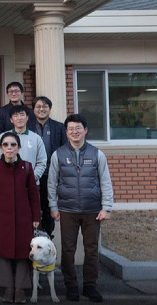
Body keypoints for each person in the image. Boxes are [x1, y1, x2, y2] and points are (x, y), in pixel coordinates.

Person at [48, 114, 113, 303]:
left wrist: (106, 207)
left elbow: (106, 182)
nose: (74, 132)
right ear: (66, 132)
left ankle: (90, 286)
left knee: (91, 249)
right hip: (67, 210)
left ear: (85, 130)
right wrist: (53, 206)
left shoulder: (97, 154)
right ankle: (71, 286)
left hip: (92, 210)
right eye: (71, 129)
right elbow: (52, 183)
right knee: (68, 249)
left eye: (78, 128)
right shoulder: (58, 154)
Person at [0, 132, 40, 304]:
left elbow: (33, 195)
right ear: (1, 148)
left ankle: (20, 289)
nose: (9, 148)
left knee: (24, 253)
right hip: (1, 219)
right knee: (4, 253)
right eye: (6, 145)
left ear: (19, 147)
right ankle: (8, 288)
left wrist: (36, 216)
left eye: (13, 145)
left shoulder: (27, 167)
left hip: (24, 218)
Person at [31, 96, 67, 238]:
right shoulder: (28, 127)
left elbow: (64, 149)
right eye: (38, 106)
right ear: (33, 110)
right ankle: (32, 235)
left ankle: (47, 235)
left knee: (48, 205)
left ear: (49, 109)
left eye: (45, 106)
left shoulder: (59, 127)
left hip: (51, 173)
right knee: (32, 205)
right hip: (32, 174)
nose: (41, 109)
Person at [0, 104, 47, 186]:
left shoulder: (36, 138)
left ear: (27, 118)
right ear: (11, 119)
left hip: (31, 184)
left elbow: (42, 162)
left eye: (22, 115)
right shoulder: (3, 137)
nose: (19, 118)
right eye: (16, 115)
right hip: (8, 184)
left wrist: (31, 177)